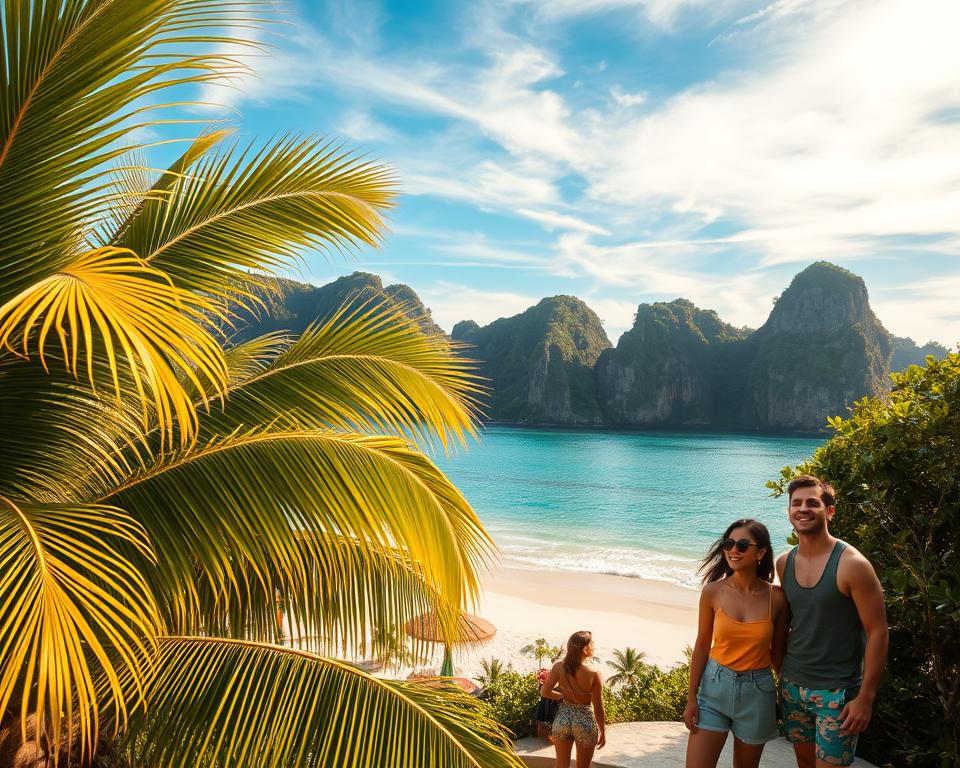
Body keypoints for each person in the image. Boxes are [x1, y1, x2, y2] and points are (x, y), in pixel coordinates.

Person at [776, 475, 888, 768]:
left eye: (812, 503)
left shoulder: (853, 565)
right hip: (793, 686)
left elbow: (877, 631)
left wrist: (866, 698)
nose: (803, 509)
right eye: (796, 503)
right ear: (789, 511)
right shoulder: (784, 563)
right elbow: (791, 622)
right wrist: (779, 672)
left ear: (830, 511)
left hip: (837, 692)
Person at [684, 519, 790, 768]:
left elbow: (779, 654)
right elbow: (702, 646)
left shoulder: (777, 599)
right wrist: (691, 698)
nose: (733, 550)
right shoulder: (712, 592)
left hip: (758, 693)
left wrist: (791, 695)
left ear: (760, 553)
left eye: (742, 545)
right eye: (729, 544)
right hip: (714, 688)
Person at [540, 630, 606, 768]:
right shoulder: (594, 673)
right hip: (584, 722)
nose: (594, 647)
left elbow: (544, 692)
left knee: (561, 765)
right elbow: (598, 707)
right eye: (592, 644)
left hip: (562, 720)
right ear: (585, 649)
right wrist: (602, 731)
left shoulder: (558, 666)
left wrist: (562, 696)